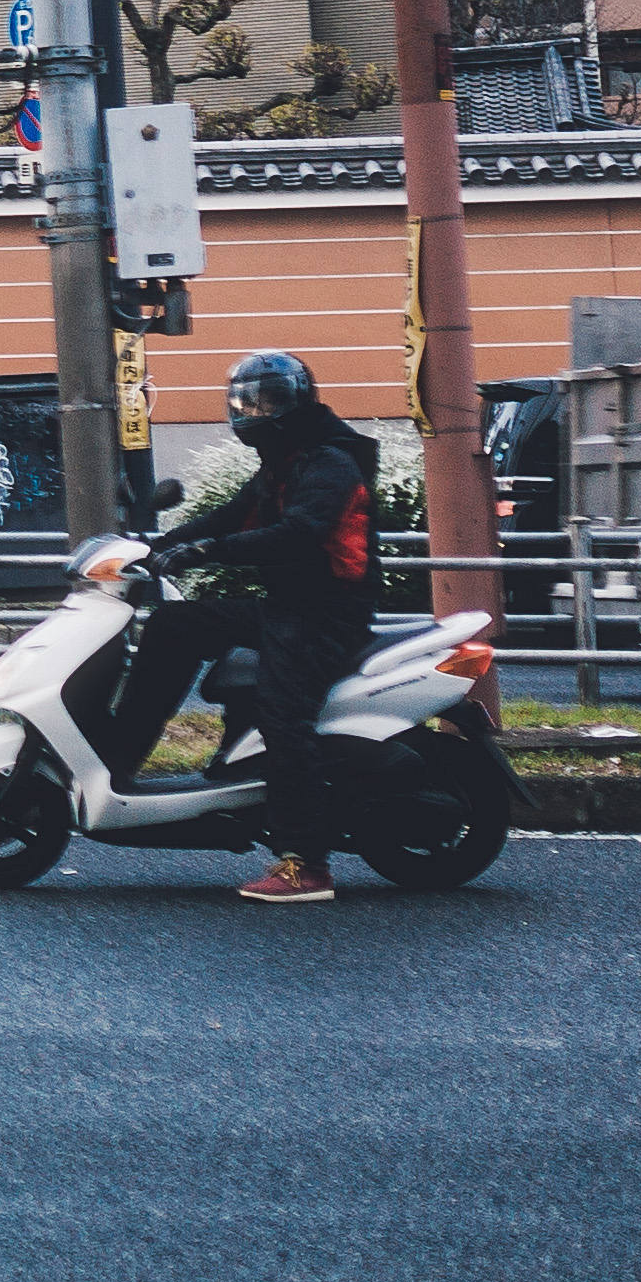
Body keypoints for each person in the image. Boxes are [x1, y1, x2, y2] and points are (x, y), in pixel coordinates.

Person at [130, 349, 386, 904]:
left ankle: (305, 863)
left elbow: (300, 532)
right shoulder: (287, 460)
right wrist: (157, 545)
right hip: (289, 605)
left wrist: (207, 553)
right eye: (245, 400)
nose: (251, 411)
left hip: (326, 612)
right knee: (174, 624)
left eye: (263, 400)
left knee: (282, 712)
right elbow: (231, 516)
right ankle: (121, 757)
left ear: (293, 402)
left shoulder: (329, 463)